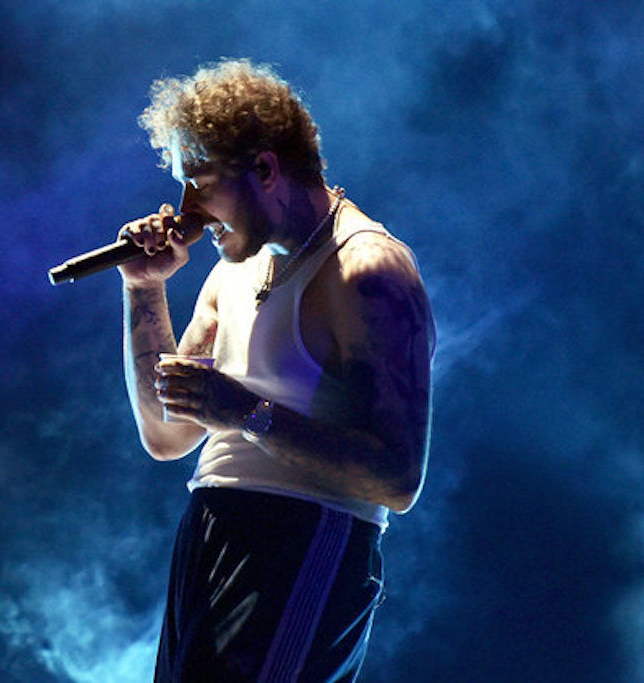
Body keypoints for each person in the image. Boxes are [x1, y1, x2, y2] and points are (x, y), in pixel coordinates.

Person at [117, 59, 436, 682]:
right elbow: (167, 435)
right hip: (211, 533)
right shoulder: (231, 269)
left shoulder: (368, 271)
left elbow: (398, 479)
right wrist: (143, 288)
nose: (188, 212)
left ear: (265, 170)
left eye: (200, 185)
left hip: (305, 539)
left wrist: (242, 412)